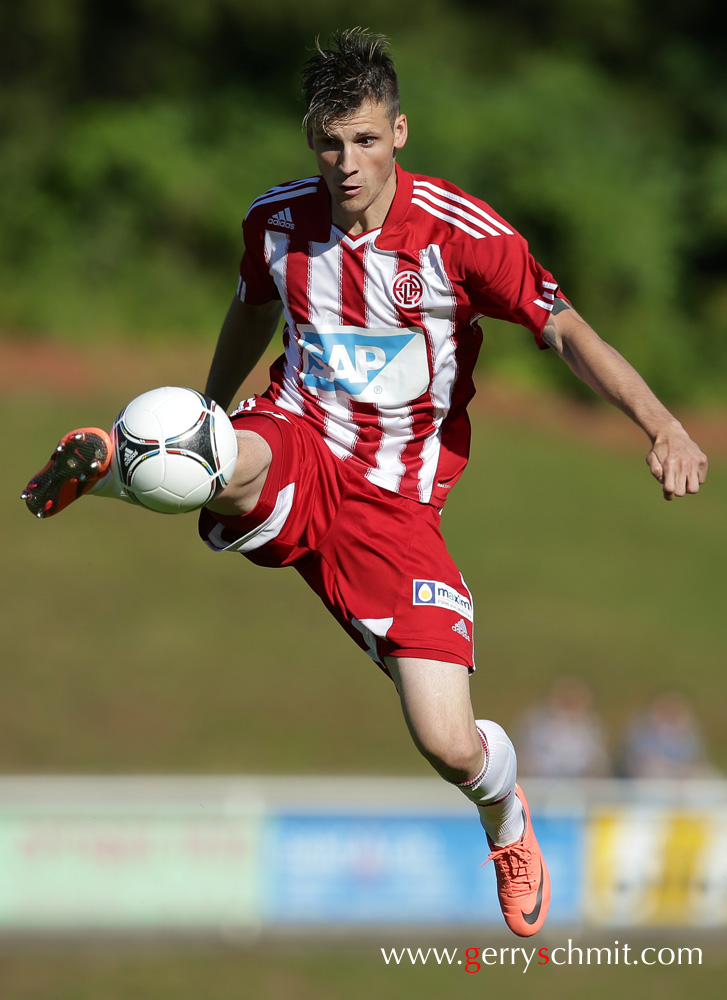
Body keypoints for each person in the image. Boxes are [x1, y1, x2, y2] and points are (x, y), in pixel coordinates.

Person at [21, 29, 708, 937]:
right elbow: (250, 307)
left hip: (396, 505)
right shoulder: (277, 223)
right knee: (232, 457)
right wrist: (204, 413)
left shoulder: (464, 236)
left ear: (400, 133)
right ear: (312, 142)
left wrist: (660, 424)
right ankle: (126, 463)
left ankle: (505, 822)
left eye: (365, 141)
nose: (345, 163)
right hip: (299, 439)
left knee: (446, 740)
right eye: (328, 143)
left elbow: (567, 330)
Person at [516, 676, 611, 779]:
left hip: (580, 785)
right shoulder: (536, 722)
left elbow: (599, 761)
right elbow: (523, 754)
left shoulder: (591, 727)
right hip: (542, 782)